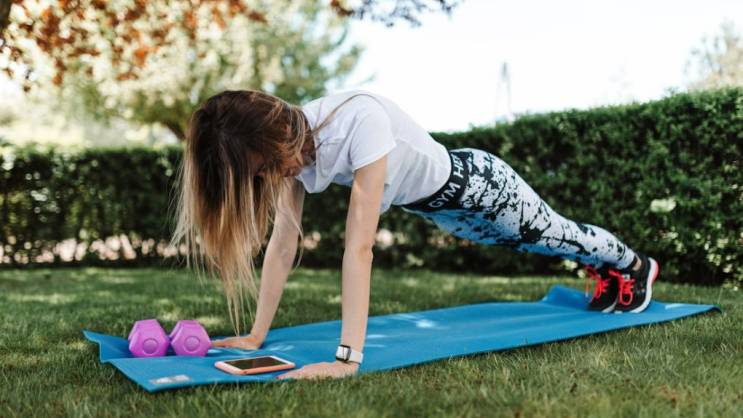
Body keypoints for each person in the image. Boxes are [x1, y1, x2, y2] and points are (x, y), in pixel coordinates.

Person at [169, 89, 660, 380]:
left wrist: (346, 360)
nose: (271, 177)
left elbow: (360, 247)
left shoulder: (359, 120)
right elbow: (282, 245)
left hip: (482, 188)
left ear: (277, 138)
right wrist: (256, 336)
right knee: (534, 244)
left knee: (556, 235)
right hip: (445, 214)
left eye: (265, 167)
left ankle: (635, 265)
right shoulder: (293, 149)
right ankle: (605, 266)